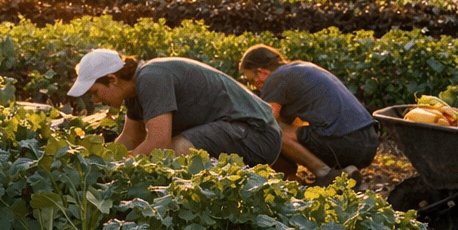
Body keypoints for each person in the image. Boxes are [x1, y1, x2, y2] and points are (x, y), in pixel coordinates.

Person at [66, 48, 281, 167]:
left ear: (112, 79)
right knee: (167, 150)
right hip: (242, 132)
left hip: (257, 134)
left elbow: (158, 141)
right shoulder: (133, 90)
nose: (95, 101)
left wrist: (117, 168)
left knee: (176, 148)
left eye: (94, 92)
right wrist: (97, 161)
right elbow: (130, 138)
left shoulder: (151, 78)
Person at [238, 44, 378, 187]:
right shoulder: (302, 67)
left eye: (250, 81)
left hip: (346, 142)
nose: (254, 87)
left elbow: (267, 122)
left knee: (273, 131)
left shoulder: (275, 78)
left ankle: (325, 174)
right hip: (368, 141)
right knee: (291, 127)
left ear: (261, 72)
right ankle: (345, 173)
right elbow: (289, 121)